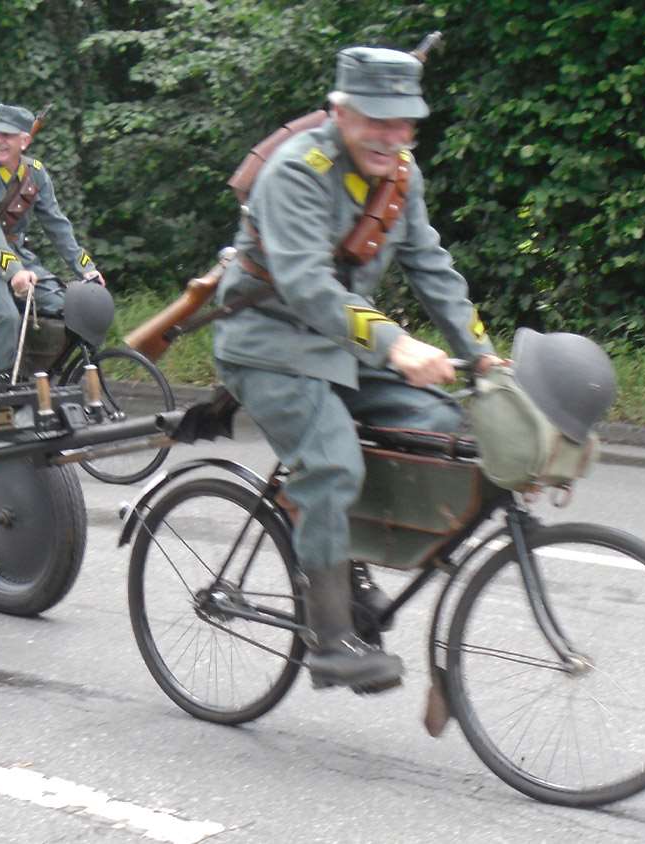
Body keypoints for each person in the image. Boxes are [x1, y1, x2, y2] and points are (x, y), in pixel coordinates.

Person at [212, 46, 502, 693]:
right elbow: (308, 285)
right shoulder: (297, 172)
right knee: (333, 462)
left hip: (342, 342)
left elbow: (432, 265)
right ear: (341, 111)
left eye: (406, 123)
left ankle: (351, 569)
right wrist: (397, 345)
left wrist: (479, 351)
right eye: (378, 119)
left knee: (438, 424)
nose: (393, 136)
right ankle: (331, 642)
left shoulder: (401, 174)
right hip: (268, 343)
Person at [0, 103, 103, 377]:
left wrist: (86, 266)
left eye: (6, 135)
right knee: (5, 317)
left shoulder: (35, 173)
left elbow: (57, 224)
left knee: (66, 306)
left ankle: (33, 372)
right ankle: (1, 386)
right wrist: (14, 272)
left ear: (25, 141)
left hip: (17, 257)